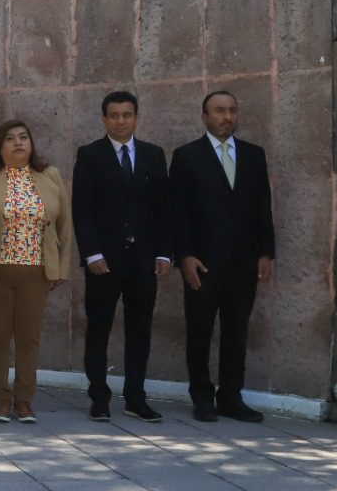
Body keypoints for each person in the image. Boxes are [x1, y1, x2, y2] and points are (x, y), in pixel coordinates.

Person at [0, 119, 73, 424]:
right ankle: (1, 399)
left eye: (24, 137)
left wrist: (61, 267)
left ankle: (24, 401)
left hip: (36, 271)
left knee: (28, 337)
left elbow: (65, 226)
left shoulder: (49, 176)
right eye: (10, 138)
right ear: (0, 146)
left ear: (31, 143)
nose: (18, 143)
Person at [170, 90, 275, 423]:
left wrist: (266, 252)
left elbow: (263, 208)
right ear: (205, 116)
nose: (226, 116)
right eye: (219, 111)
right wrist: (184, 255)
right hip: (203, 263)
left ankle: (231, 396)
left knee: (236, 333)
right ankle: (202, 396)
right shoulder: (186, 156)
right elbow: (179, 212)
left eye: (232, 110)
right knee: (199, 331)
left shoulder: (254, 156)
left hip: (244, 263)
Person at [71, 91, 170, 424]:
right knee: (99, 329)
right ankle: (99, 396)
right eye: (114, 115)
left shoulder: (154, 156)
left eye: (127, 115)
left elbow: (163, 208)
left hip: (142, 260)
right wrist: (91, 253)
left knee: (139, 330)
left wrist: (164, 253)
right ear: (104, 119)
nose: (121, 121)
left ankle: (135, 397)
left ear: (136, 117)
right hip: (104, 261)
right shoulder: (89, 155)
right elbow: (81, 210)